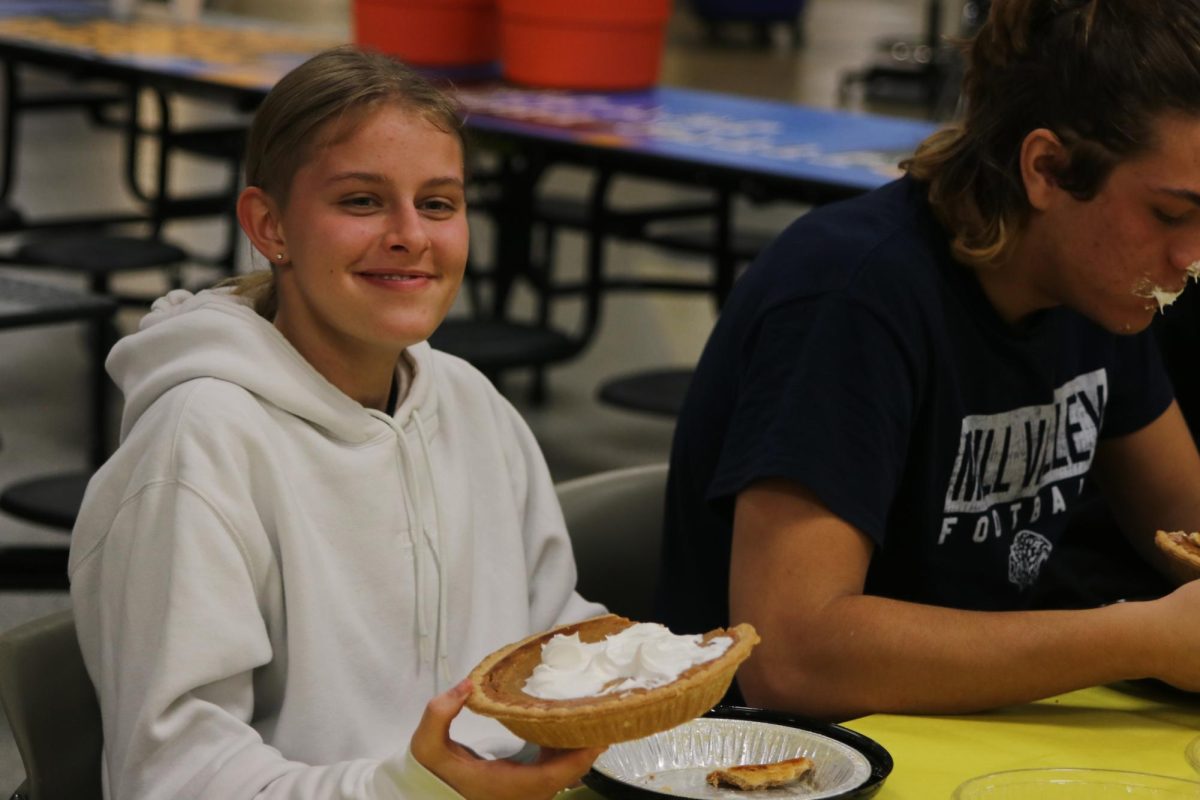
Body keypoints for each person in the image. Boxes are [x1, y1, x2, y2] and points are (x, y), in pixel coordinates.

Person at [68, 45, 607, 799]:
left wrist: (639, 676)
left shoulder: (472, 401)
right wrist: (415, 787)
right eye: (361, 201)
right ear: (270, 225)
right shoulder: (200, 446)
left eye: (439, 203)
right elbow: (173, 776)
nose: (410, 234)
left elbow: (547, 639)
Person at [657, 0, 1200, 721]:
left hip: (965, 730)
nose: (1191, 258)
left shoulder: (1096, 287)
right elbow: (788, 658)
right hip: (775, 759)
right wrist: (1140, 640)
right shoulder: (850, 293)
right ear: (1046, 168)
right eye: (1170, 214)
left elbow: (1184, 520)